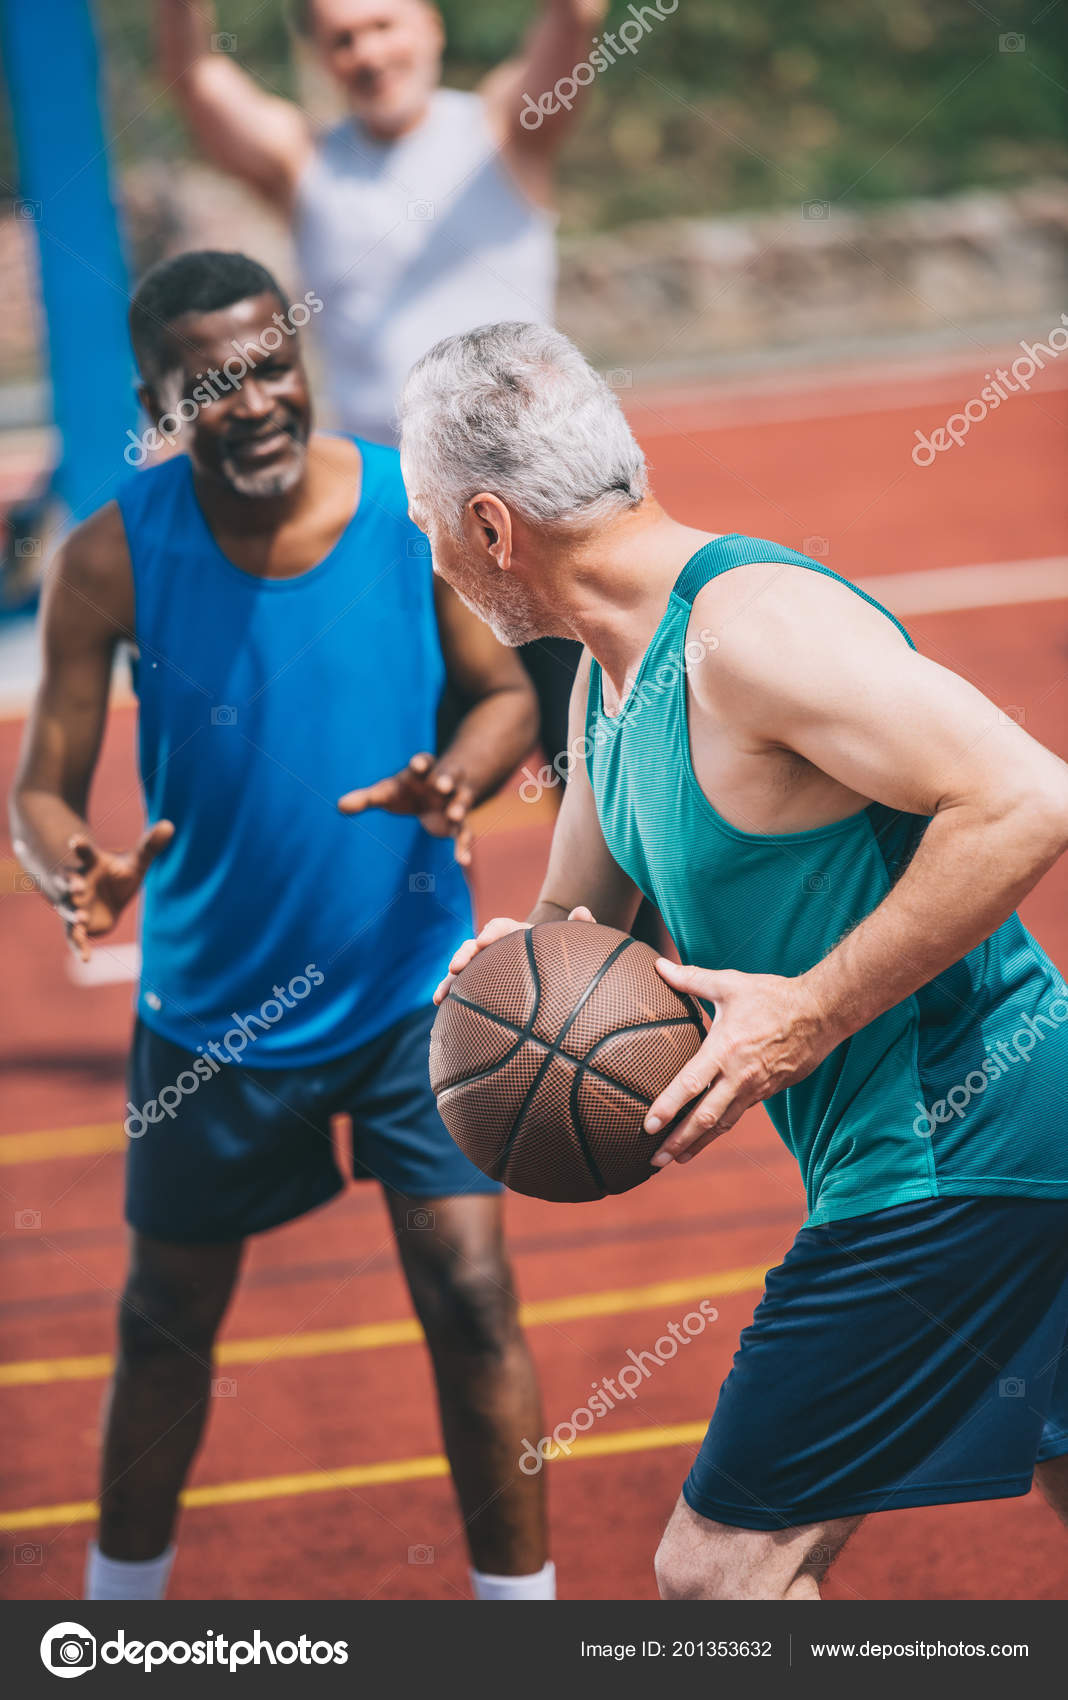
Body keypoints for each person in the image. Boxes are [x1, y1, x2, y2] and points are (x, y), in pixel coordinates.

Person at [401, 320, 1068, 1600]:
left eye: (428, 524)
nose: (429, 556)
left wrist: (806, 1012)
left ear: (490, 527)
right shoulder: (608, 679)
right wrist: (509, 972)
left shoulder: (751, 631)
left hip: (954, 1150)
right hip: (996, 1144)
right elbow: (576, 929)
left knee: (717, 1577)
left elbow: (1027, 797)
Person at [10, 254, 555, 1603]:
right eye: (208, 385)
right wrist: (69, 861)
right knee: (166, 1326)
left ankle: (524, 1627)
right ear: (155, 400)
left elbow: (503, 694)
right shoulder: (108, 557)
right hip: (212, 1020)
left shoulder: (406, 513)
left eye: (269, 365)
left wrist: (461, 776)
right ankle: (114, 1620)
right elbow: (42, 786)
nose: (250, 401)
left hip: (412, 990)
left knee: (476, 1301)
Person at [158, 0, 606, 828]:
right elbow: (193, 75)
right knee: (392, 791)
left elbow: (574, 19)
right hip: (393, 530)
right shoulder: (305, 160)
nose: (367, 53)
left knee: (598, 788)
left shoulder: (507, 126)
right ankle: (415, 951)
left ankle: (624, 960)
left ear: (431, 25)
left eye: (384, 25)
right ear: (322, 57)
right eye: (342, 39)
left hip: (533, 514)